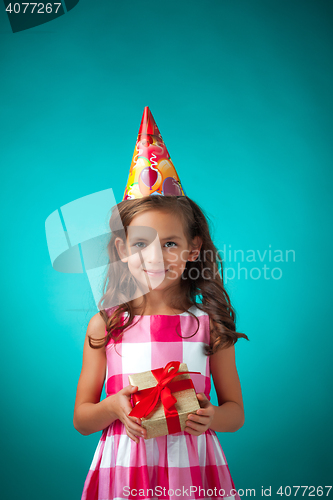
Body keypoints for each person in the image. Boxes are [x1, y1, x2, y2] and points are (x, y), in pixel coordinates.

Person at [73, 108, 248, 500]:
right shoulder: (105, 326)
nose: (155, 258)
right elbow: (82, 418)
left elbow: (235, 411)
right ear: (121, 249)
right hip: (126, 466)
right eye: (140, 244)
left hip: (193, 465)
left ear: (192, 249)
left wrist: (212, 417)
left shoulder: (209, 324)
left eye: (170, 243)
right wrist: (112, 408)